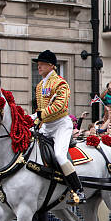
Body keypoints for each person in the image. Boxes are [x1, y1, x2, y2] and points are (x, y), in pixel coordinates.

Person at [32, 50, 87, 204]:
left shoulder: (61, 83)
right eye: (38, 64)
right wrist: (36, 118)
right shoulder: (39, 85)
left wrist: (41, 115)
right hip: (46, 126)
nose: (39, 66)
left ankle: (78, 190)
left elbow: (59, 105)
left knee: (60, 156)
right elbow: (40, 109)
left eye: (42, 64)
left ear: (51, 65)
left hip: (60, 125)